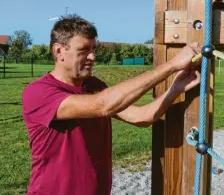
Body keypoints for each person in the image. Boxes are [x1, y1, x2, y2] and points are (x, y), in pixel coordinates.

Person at [22, 14, 201, 195]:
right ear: (58, 51)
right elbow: (103, 105)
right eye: (84, 49)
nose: (92, 56)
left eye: (94, 48)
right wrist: (172, 65)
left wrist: (175, 89)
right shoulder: (38, 93)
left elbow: (142, 117)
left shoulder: (95, 86)